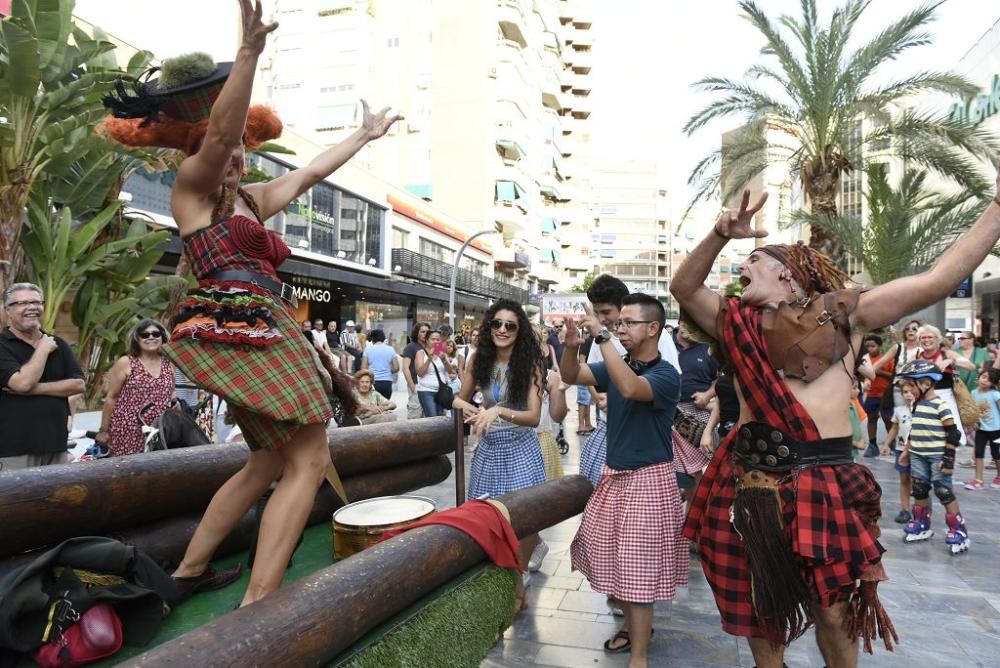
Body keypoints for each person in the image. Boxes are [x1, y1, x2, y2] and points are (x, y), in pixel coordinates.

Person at [101, 0, 401, 605]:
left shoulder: (255, 199)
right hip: (237, 326)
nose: (237, 152)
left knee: (266, 463)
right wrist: (249, 51)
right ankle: (259, 603)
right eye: (228, 144)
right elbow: (216, 133)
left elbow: (311, 173)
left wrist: (363, 136)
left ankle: (187, 571)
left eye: (244, 145)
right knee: (310, 459)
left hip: (268, 326)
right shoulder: (193, 185)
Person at [673, 169, 1000, 665]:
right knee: (761, 606)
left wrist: (997, 208)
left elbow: (939, 279)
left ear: (786, 271)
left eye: (754, 260)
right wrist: (720, 234)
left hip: (822, 479)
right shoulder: (734, 321)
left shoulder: (848, 314)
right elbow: (684, 285)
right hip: (753, 483)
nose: (743, 265)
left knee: (832, 610)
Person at [559, 294, 685, 668]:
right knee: (621, 562)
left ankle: (640, 657)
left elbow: (630, 388)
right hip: (617, 476)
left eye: (628, 322)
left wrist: (601, 338)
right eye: (619, 322)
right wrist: (571, 347)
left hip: (649, 479)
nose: (621, 328)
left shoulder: (665, 375)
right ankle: (632, 632)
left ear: (653, 329)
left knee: (638, 568)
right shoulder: (621, 364)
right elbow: (571, 376)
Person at [452, 299, 547, 607]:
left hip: (521, 449)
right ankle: (505, 584)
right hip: (489, 451)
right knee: (486, 519)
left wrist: (499, 411)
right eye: (497, 323)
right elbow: (457, 399)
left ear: (520, 332)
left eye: (511, 325)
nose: (502, 330)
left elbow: (533, 417)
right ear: (489, 325)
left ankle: (517, 582)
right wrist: (471, 409)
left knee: (524, 519)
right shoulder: (479, 359)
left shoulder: (530, 363)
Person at [578, 274, 680, 488]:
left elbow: (650, 383)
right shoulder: (602, 337)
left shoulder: (659, 339)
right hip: (609, 430)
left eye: (606, 312)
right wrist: (600, 397)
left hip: (645, 443)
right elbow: (588, 374)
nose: (602, 319)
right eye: (596, 313)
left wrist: (602, 337)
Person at [0, 283, 85, 471]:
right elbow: (22, 383)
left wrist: (35, 389)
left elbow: (78, 384)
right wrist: (43, 349)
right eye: (23, 303)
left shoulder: (59, 344)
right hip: (14, 450)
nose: (32, 307)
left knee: (59, 500)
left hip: (56, 446)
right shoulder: (3, 345)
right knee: (18, 500)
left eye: (36, 302)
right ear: (8, 311)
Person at [895, 360, 970, 554]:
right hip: (918, 454)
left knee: (943, 491)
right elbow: (915, 429)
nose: (907, 389)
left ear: (925, 384)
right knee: (919, 489)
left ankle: (958, 529)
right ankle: (922, 523)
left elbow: (954, 434)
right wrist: (906, 450)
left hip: (937, 456)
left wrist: (948, 459)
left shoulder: (941, 406)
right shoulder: (917, 406)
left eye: (911, 385)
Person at [96, 319, 175, 457]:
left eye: (156, 334)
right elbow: (111, 398)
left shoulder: (169, 363)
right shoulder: (126, 362)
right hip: (128, 429)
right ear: (137, 339)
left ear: (162, 338)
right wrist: (103, 430)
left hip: (159, 430)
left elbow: (170, 393)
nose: (151, 337)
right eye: (145, 335)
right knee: (127, 471)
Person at [964, 369, 1000, 490]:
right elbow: (973, 410)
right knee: (979, 452)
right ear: (978, 377)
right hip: (981, 429)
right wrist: (974, 421)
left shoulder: (995, 394)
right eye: (983, 377)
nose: (985, 380)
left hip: (996, 429)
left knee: (996, 454)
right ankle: (978, 480)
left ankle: (999, 477)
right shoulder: (974, 393)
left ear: (994, 383)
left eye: (989, 379)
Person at [860, 335, 892, 458]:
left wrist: (879, 372)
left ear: (880, 346)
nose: (870, 349)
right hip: (871, 394)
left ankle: (891, 442)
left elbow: (892, 376)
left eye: (873, 346)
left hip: (885, 394)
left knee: (887, 418)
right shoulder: (864, 360)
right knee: (871, 418)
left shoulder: (886, 359)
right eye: (867, 346)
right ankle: (872, 445)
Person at [414, 329, 451, 418]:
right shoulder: (421, 353)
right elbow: (420, 373)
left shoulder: (442, 352)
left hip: (440, 391)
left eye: (438, 340)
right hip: (426, 391)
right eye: (433, 339)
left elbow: (450, 371)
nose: (435, 342)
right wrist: (429, 358)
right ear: (427, 340)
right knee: (432, 418)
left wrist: (444, 360)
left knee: (440, 419)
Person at [401, 322, 431, 419]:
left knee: (429, 417)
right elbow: (405, 368)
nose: (425, 334)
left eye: (427, 332)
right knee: (415, 416)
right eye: (422, 332)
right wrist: (413, 387)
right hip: (416, 384)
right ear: (416, 333)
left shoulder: (432, 346)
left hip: (431, 387)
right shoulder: (411, 346)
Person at [361, 328, 397, 400]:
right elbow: (396, 367)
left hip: (373, 382)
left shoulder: (368, 350)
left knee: (374, 407)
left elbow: (363, 368)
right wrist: (388, 372)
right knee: (385, 407)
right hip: (387, 382)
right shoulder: (390, 349)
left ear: (373, 338)